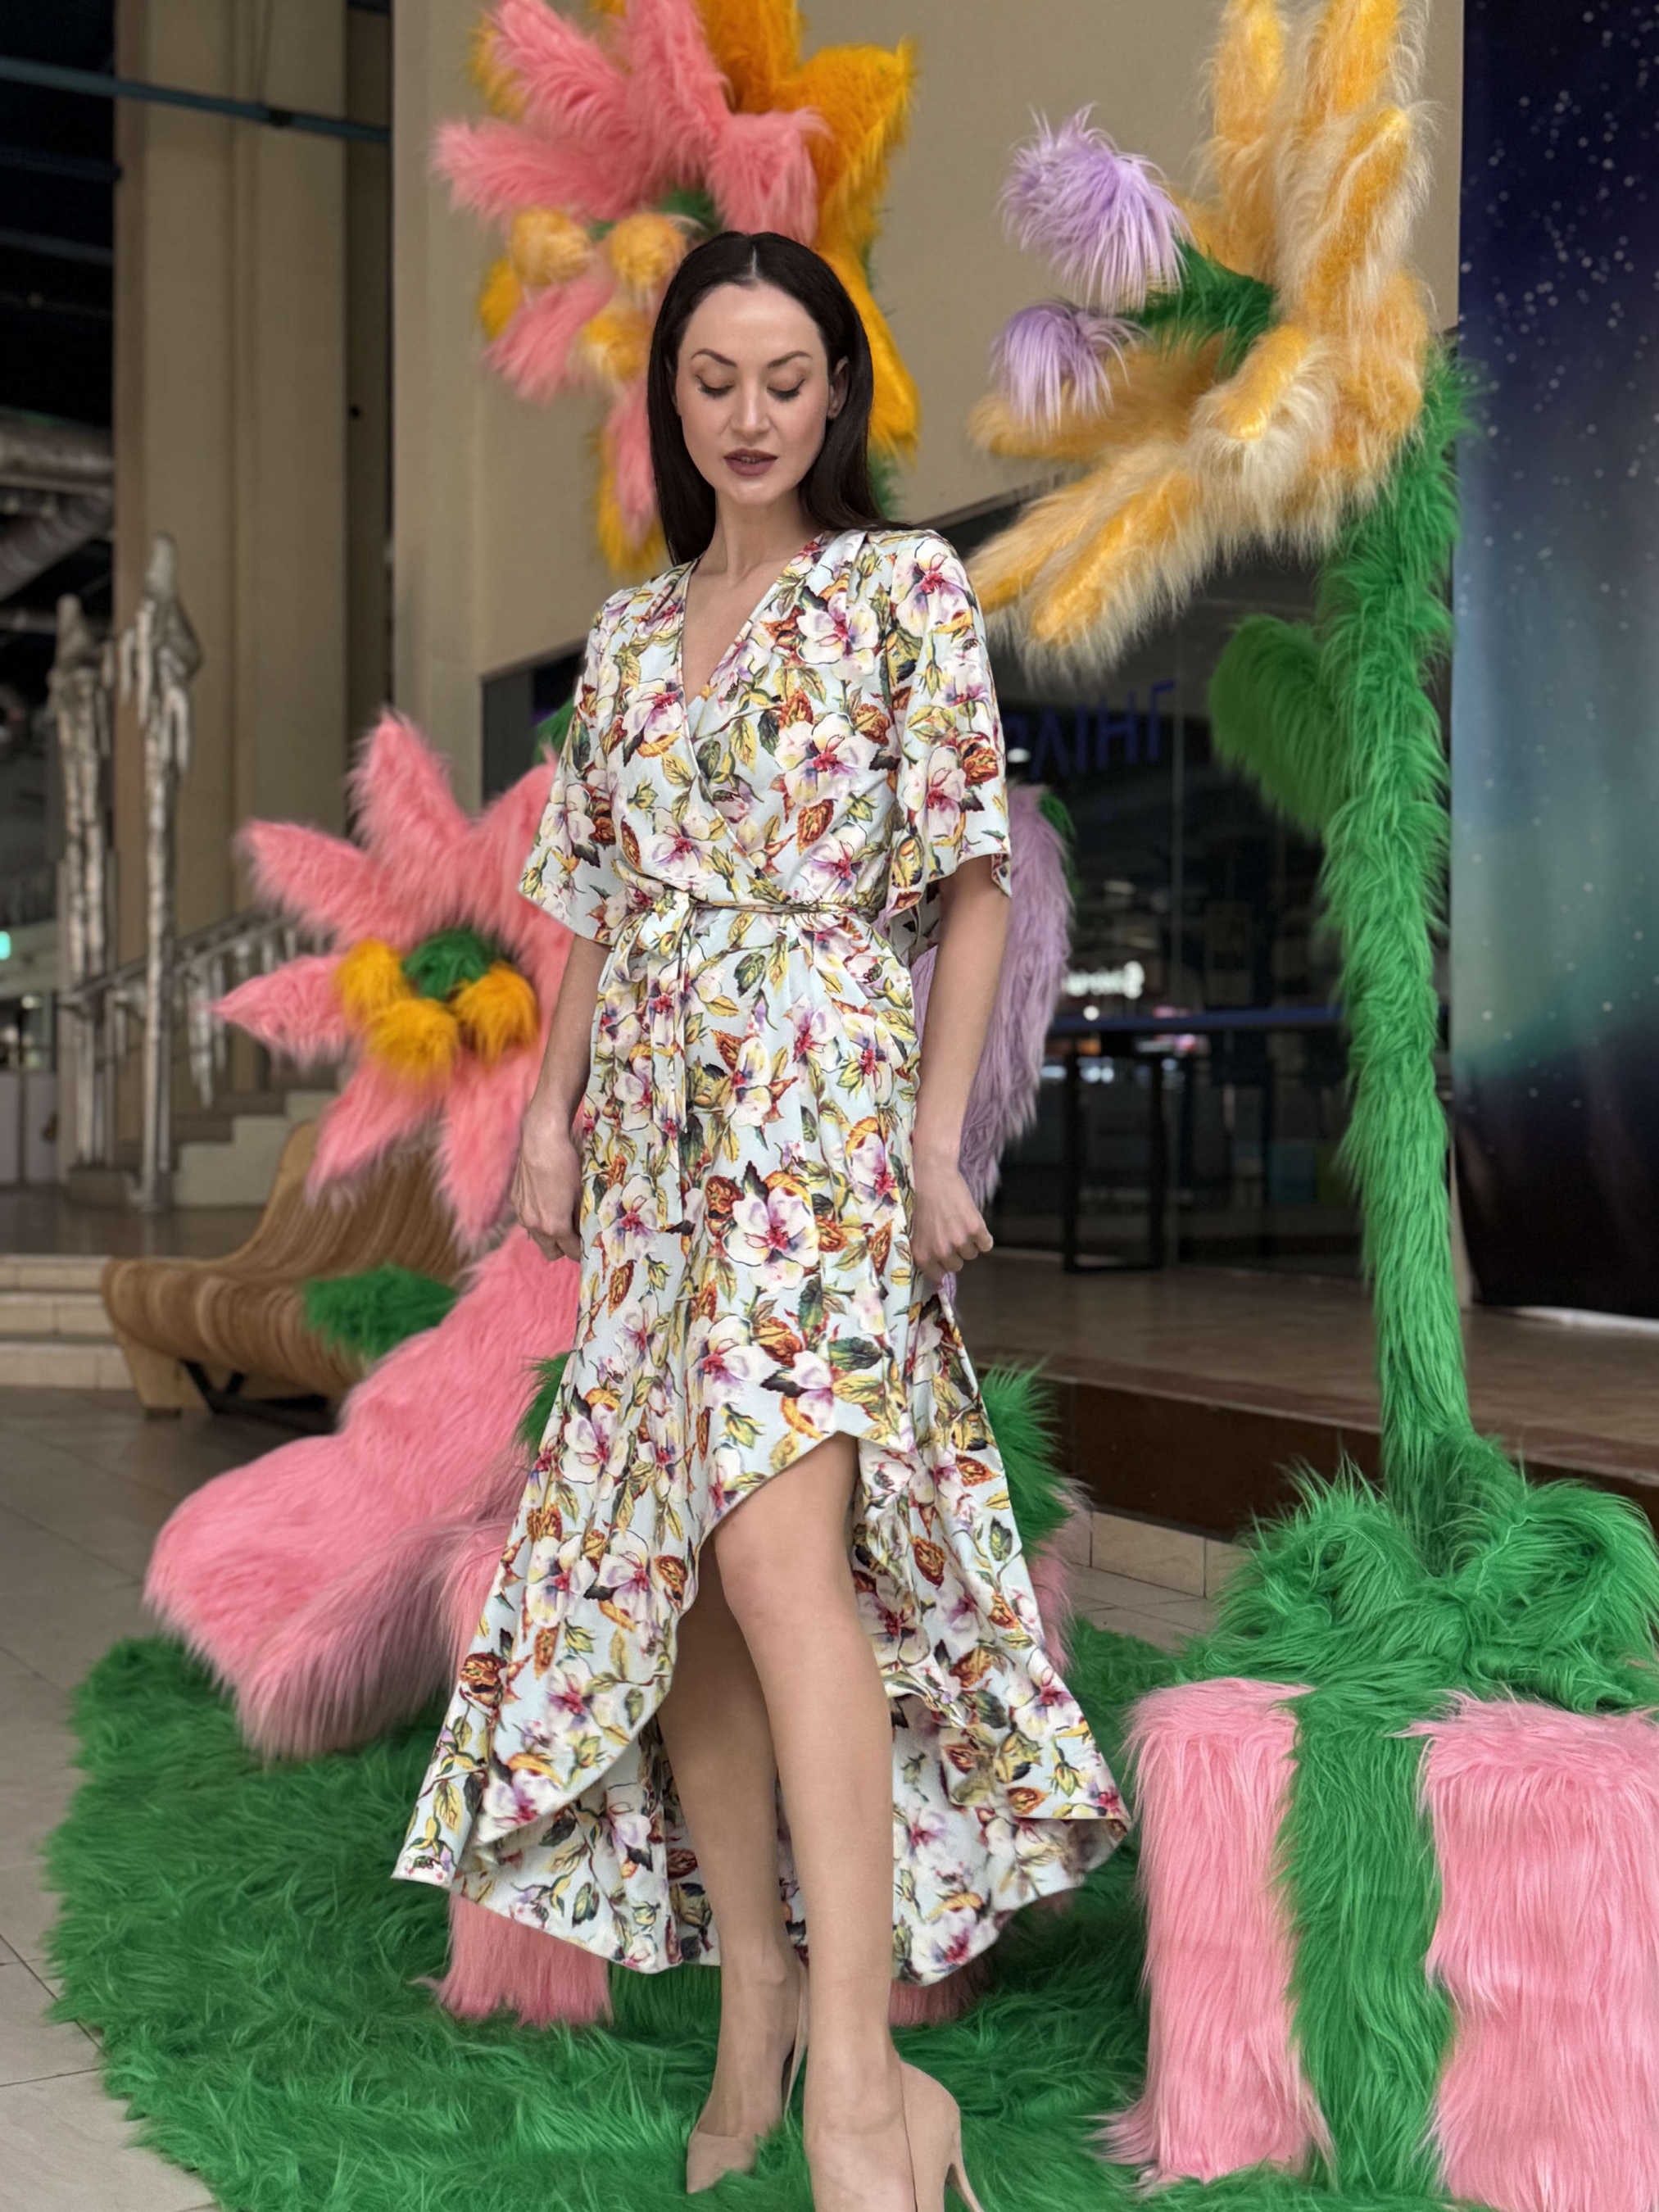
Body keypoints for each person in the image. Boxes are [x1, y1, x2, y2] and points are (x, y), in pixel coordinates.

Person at [394, 230, 1128, 2210]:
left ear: (836, 393)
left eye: (785, 380)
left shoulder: (899, 591)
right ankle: (756, 2024)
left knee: (785, 1563)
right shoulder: (630, 634)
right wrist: (548, 1114)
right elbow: (595, 905)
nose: (748, 416)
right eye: (712, 381)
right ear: (670, 397)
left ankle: (863, 2089)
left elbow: (968, 880)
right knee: (690, 1580)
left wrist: (934, 1144)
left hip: (815, 1107)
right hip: (651, 1138)